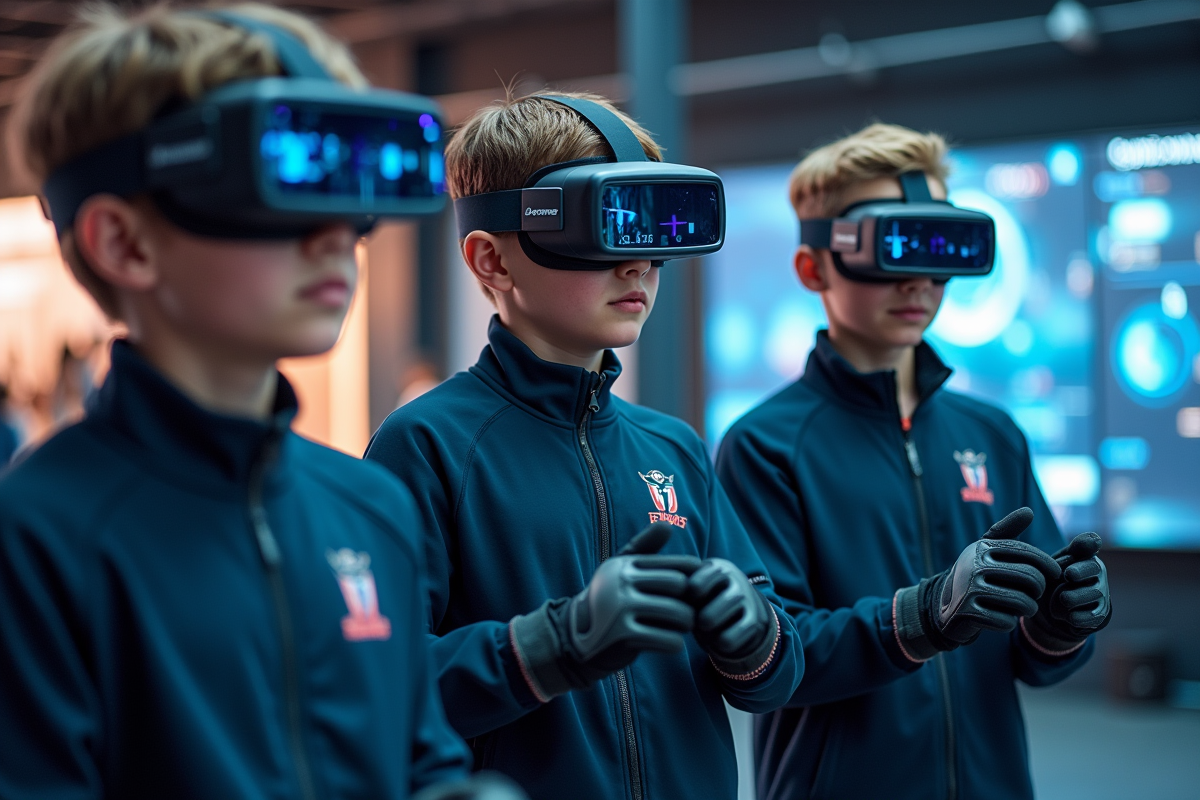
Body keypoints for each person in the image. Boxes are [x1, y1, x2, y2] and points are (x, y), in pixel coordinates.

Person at [0, 5, 522, 799]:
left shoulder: (370, 509)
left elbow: (421, 762)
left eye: (350, 189)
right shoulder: (37, 540)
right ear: (124, 243)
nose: (339, 235)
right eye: (281, 184)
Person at [364, 92, 804, 800]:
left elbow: (774, 680)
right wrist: (555, 645)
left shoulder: (673, 448)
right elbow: (383, 689)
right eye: (609, 226)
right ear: (492, 261)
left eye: (655, 230)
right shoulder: (428, 444)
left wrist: (755, 639)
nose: (640, 264)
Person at [716, 123, 1111, 800]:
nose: (921, 278)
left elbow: (1034, 662)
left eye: (939, 246)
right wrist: (922, 616)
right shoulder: (765, 445)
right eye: (891, 246)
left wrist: (1059, 625)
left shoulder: (992, 433)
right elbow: (770, 659)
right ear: (814, 267)